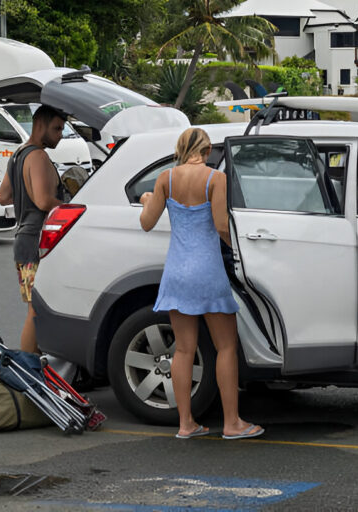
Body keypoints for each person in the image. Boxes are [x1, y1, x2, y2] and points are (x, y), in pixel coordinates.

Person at [139, 127, 264, 440]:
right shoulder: (214, 179)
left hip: (177, 273)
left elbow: (146, 223)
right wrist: (243, 250)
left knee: (183, 349)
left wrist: (147, 200)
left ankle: (186, 423)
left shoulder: (165, 179)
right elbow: (222, 225)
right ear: (207, 151)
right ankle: (233, 423)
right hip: (207, 272)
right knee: (225, 346)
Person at [0, 105, 66, 354]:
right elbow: (43, 201)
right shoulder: (38, 156)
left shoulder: (18, 155)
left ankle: (34, 364)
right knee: (36, 310)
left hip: (23, 240)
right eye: (57, 128)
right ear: (40, 126)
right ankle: (29, 365)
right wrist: (75, 206)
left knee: (34, 307)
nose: (60, 134)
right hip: (37, 238)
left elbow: (3, 196)